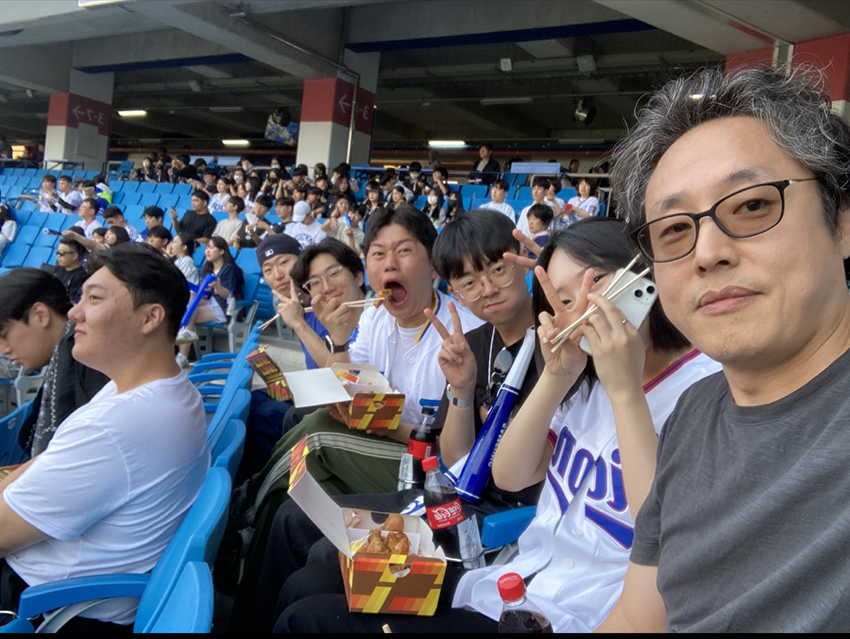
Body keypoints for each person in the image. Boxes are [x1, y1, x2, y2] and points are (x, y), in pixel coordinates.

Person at [594, 66, 850, 633]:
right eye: (674, 229)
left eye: (752, 206)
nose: (707, 252)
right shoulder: (694, 413)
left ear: (842, 223)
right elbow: (638, 618)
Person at [247, 210, 543, 632]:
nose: (487, 289)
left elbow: (471, 463)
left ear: (432, 268)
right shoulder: (464, 339)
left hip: (459, 492)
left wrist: (557, 296)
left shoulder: (479, 334)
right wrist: (460, 391)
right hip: (449, 481)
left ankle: (248, 506)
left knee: (314, 442)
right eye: (469, 281)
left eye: (498, 270)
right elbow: (348, 391)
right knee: (297, 514)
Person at [0, 245, 209, 628]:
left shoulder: (117, 426)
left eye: (94, 299)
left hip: (45, 606)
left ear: (150, 318)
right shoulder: (151, 391)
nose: (74, 313)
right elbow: (44, 462)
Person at [0, 268, 108, 459]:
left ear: (40, 315)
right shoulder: (72, 357)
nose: (4, 350)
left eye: (4, 335)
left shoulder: (93, 366)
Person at [176, 236, 244, 366]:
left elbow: (228, 295)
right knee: (189, 302)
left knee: (189, 313)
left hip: (225, 307)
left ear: (222, 251)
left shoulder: (229, 269)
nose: (207, 251)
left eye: (211, 248)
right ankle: (182, 354)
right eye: (206, 248)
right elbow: (205, 295)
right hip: (211, 302)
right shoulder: (208, 269)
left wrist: (217, 285)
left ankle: (183, 355)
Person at [52, 237, 87, 302]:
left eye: (62, 253)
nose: (58, 256)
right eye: (57, 252)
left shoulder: (81, 277)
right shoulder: (58, 268)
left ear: (74, 256)